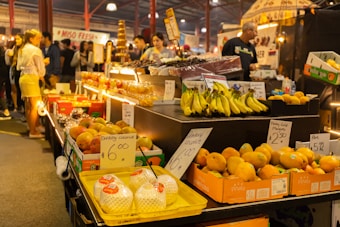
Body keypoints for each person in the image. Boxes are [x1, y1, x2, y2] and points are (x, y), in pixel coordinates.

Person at [17, 29, 45, 139]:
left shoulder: (22, 49)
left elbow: (19, 66)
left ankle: (33, 126)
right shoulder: (35, 50)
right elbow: (41, 68)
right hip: (31, 78)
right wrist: (42, 70)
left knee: (28, 106)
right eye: (38, 38)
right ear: (31, 38)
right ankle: (33, 131)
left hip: (23, 77)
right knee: (34, 106)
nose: (40, 40)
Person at [5, 34, 24, 113]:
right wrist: (9, 56)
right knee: (14, 89)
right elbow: (8, 62)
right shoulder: (14, 48)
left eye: (18, 39)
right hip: (14, 70)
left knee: (22, 90)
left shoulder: (24, 49)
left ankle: (22, 107)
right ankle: (16, 106)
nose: (16, 41)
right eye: (16, 39)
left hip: (22, 71)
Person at [0, 45, 11, 119]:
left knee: (1, 94)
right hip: (2, 77)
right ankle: (6, 110)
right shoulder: (2, 55)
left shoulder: (1, 57)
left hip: (1, 77)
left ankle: (6, 111)